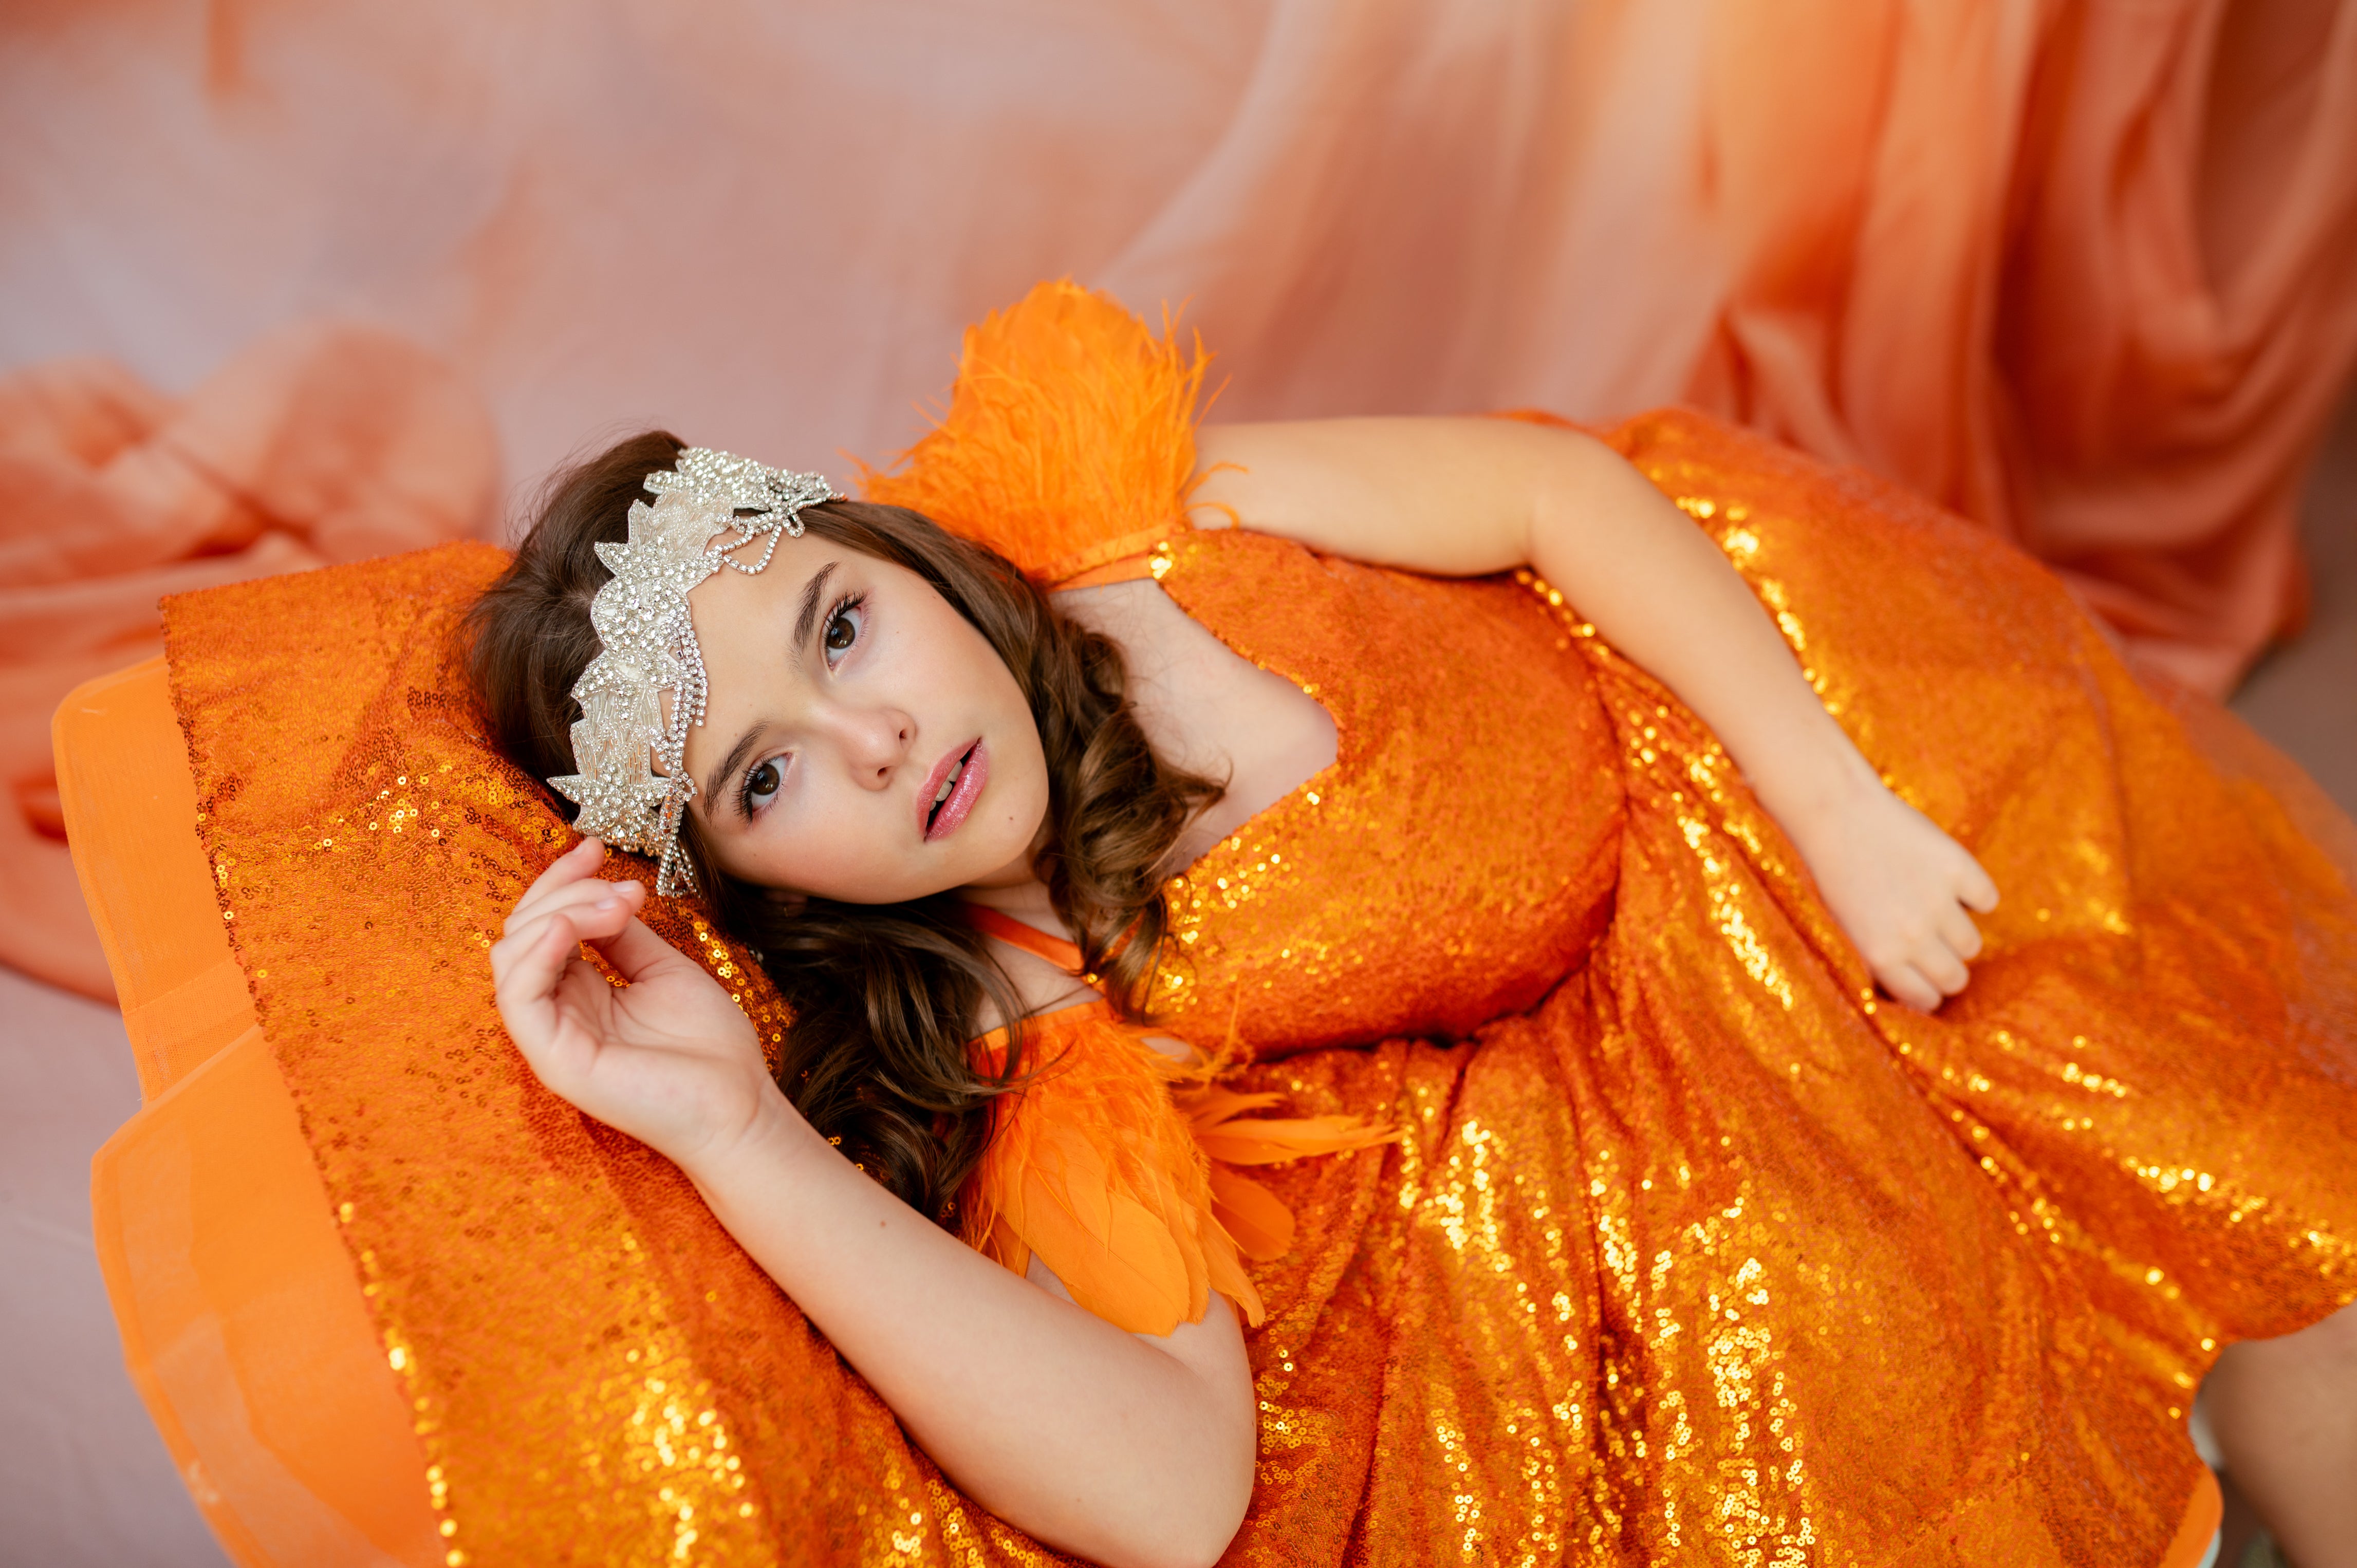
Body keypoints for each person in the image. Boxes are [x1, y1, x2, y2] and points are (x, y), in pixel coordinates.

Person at [457, 281, 2357, 1568]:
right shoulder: (1045, 1024)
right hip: (1665, 1090)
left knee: (2250, 1173)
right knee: (1966, 1352)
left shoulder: (1151, 528)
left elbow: (1547, 489)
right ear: (764, 888)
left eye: (841, 627)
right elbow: (1168, 1495)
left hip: (1724, 751)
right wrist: (736, 1129)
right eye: (766, 777)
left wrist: (1834, 806)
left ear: (894, 555)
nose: (870, 739)